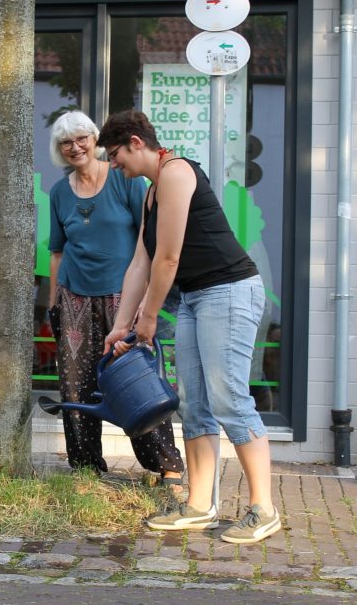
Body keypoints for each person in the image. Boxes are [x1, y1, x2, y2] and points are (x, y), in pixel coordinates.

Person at [99, 109, 280, 545]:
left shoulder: (177, 173)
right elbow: (141, 261)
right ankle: (200, 505)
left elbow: (168, 259)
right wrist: (119, 324)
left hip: (230, 291)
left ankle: (264, 509)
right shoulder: (150, 193)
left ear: (136, 143)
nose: (113, 163)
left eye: (115, 153)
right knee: (195, 403)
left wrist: (146, 321)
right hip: (196, 298)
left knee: (229, 398)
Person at [48, 111, 184, 489]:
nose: (75, 147)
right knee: (75, 385)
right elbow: (57, 253)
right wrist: (54, 303)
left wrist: (144, 302)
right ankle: (87, 468)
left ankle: (165, 465)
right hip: (75, 298)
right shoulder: (59, 192)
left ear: (94, 140)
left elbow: (148, 242)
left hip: (123, 298)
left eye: (81, 139)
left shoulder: (124, 182)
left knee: (136, 381)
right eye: (65, 143)